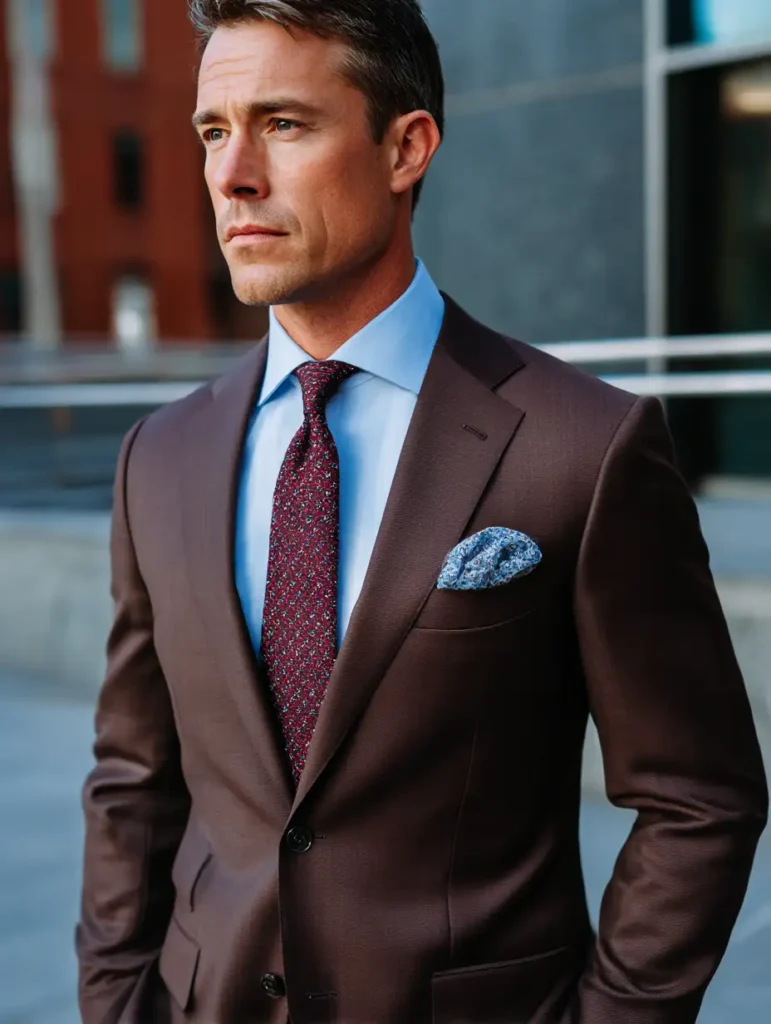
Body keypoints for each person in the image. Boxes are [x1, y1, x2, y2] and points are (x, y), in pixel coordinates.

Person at [75, 1, 768, 1022]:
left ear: (407, 148)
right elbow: (134, 781)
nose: (232, 175)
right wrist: (117, 1003)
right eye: (215, 132)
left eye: (286, 124)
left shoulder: (583, 444)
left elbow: (699, 798)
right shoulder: (160, 458)